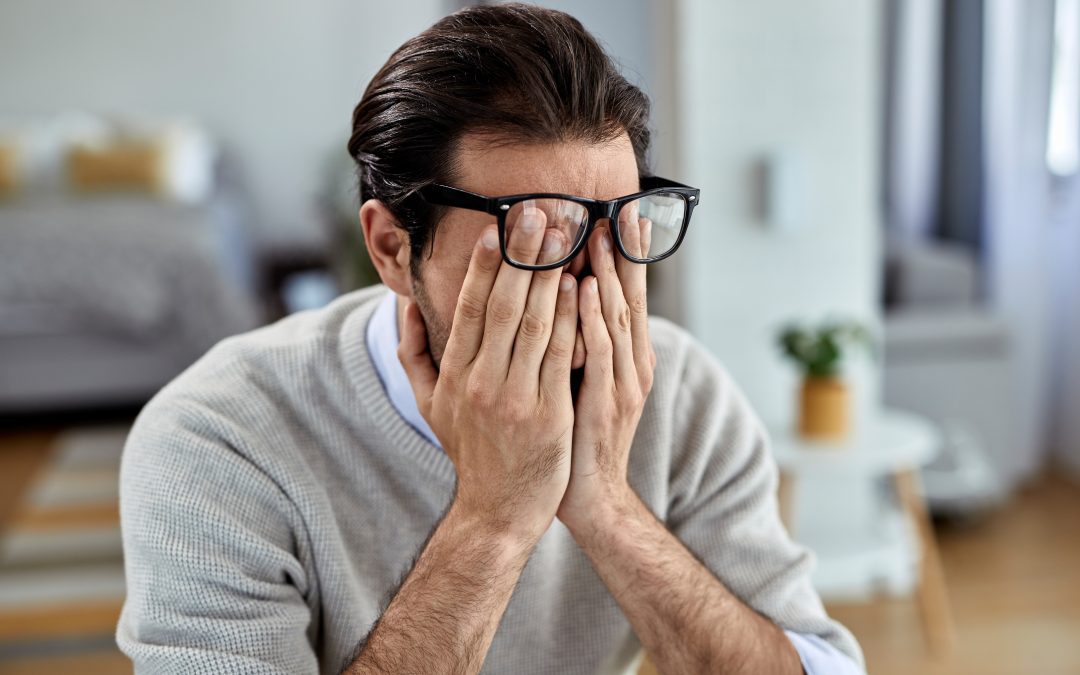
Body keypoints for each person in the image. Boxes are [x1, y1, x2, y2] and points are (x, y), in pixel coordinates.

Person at [116, 4, 864, 674]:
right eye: (532, 238)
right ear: (390, 249)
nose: (589, 287)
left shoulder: (681, 391)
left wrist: (605, 503)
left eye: (615, 230)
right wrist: (494, 518)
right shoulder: (216, 437)